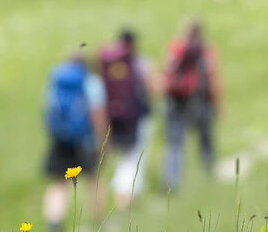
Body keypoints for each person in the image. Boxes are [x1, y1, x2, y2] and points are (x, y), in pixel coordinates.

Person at [42, 53, 108, 232]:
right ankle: (99, 221)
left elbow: (48, 111)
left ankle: (54, 224)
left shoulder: (55, 81)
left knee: (58, 182)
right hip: (84, 141)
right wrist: (102, 141)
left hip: (60, 140)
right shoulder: (91, 82)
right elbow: (98, 115)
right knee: (93, 179)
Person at [162, 20, 222, 190]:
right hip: (200, 100)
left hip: (175, 101)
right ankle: (210, 174)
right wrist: (217, 103)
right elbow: (213, 77)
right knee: (206, 140)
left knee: (174, 143)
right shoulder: (206, 50)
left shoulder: (175, 48)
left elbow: (167, 72)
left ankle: (170, 183)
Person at [99, 29, 155, 209]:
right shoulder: (140, 62)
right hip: (136, 116)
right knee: (133, 158)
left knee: (123, 156)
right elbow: (152, 88)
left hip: (113, 117)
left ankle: (121, 198)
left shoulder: (109, 62)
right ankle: (124, 200)